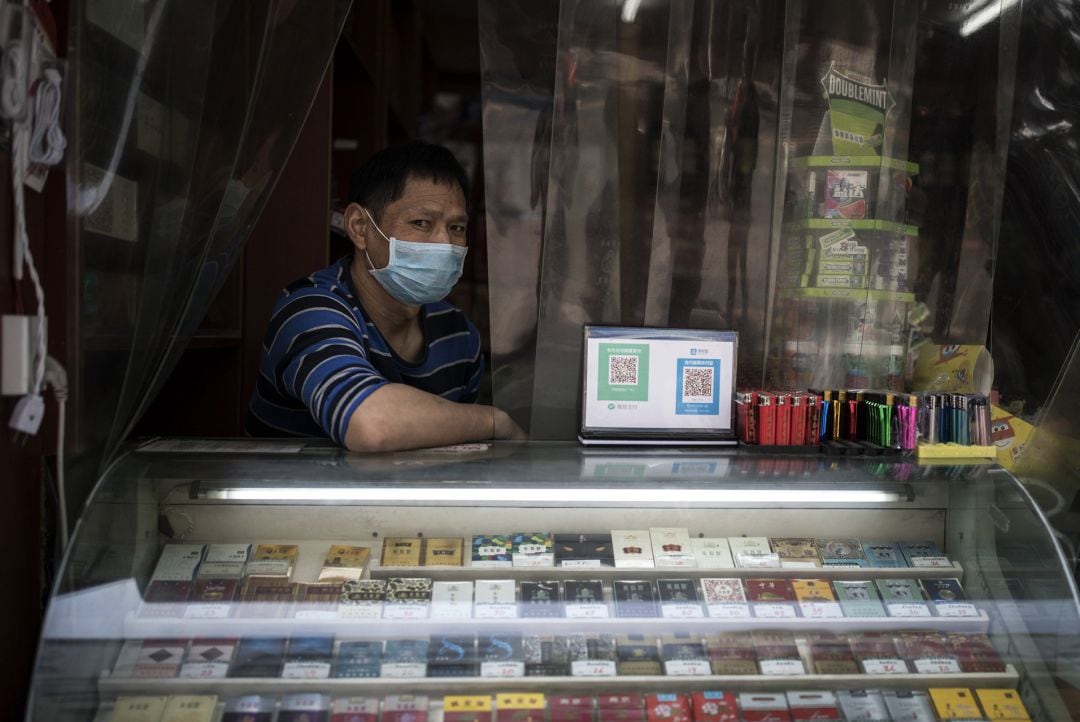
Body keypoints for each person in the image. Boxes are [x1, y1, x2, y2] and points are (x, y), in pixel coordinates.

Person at [246, 141, 525, 451]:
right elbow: (370, 423)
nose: (444, 243)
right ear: (359, 227)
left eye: (457, 227)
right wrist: (495, 422)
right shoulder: (308, 310)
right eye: (421, 223)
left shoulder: (458, 334)